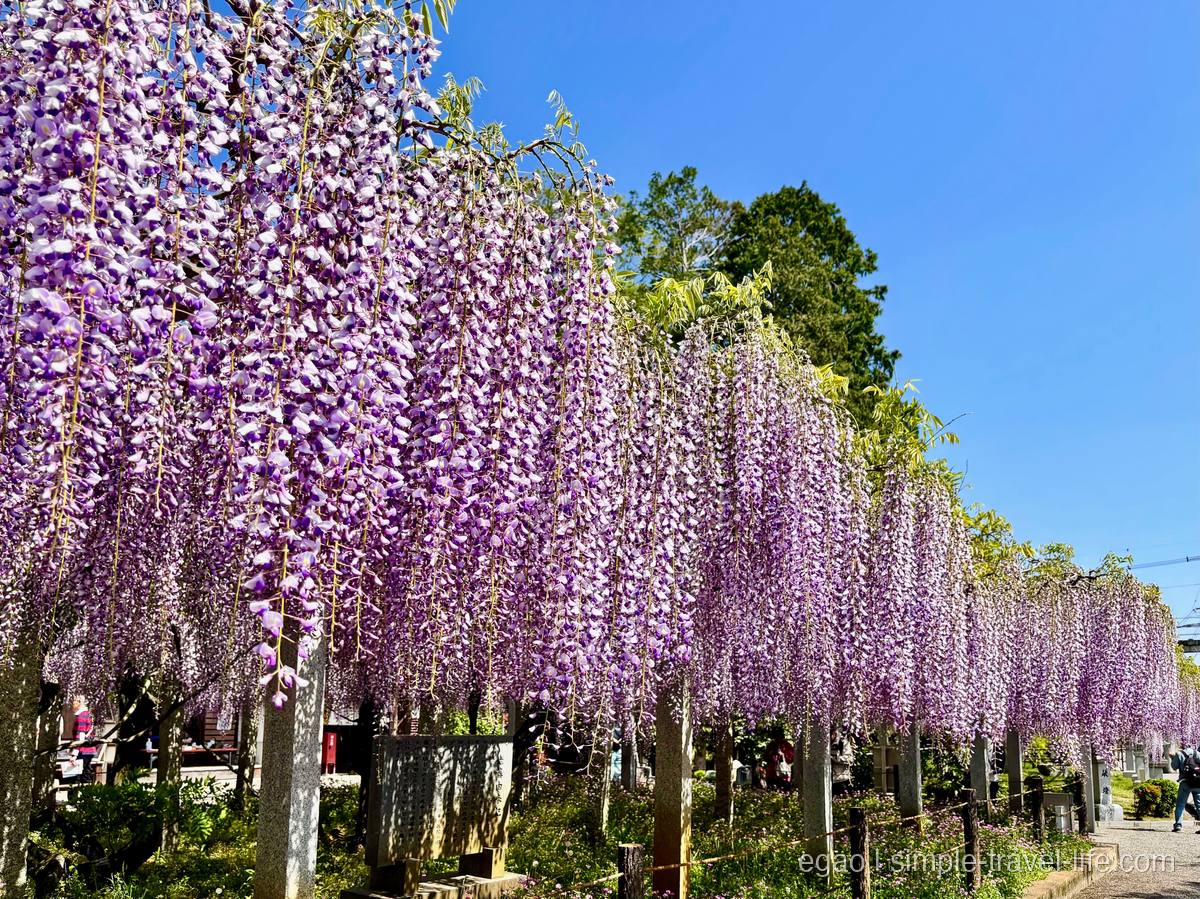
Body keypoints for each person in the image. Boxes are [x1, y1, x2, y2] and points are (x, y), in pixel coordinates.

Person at [1170, 744, 1200, 832]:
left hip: (1185, 782)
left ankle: (1178, 825)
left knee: (1180, 804)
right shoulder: (1197, 753)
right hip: (1197, 782)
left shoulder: (1179, 754)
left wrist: (1173, 758)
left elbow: (1174, 767)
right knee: (1199, 804)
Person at [69, 694, 97, 783]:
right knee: (85, 773)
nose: (71, 704)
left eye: (73, 702)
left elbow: (80, 736)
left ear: (79, 703)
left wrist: (74, 754)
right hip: (89, 749)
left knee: (77, 775)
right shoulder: (88, 714)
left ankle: (78, 791)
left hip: (83, 750)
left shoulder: (81, 716)